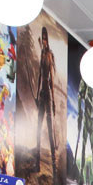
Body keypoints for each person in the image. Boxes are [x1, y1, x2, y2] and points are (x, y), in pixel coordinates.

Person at [35, 26, 57, 172]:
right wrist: (37, 95)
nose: (43, 41)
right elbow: (39, 76)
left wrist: (53, 100)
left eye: (45, 38)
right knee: (38, 126)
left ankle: (54, 163)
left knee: (49, 128)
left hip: (48, 94)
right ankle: (37, 162)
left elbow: (51, 79)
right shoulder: (42, 54)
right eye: (42, 38)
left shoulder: (49, 55)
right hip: (42, 94)